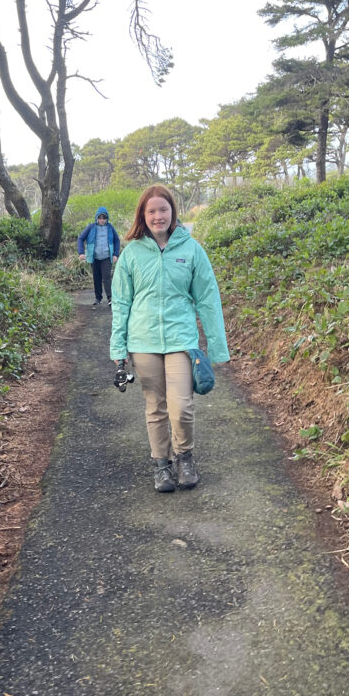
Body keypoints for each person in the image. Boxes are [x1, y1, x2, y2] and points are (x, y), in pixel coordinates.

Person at [110, 185, 229, 493]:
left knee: (182, 406)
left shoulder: (191, 250)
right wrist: (118, 348)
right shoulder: (132, 253)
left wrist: (216, 346)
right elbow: (121, 303)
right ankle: (161, 466)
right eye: (151, 211)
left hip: (181, 339)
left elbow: (207, 298)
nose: (158, 216)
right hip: (143, 340)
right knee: (155, 407)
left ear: (173, 212)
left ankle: (184, 457)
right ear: (143, 216)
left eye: (163, 209)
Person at [77, 206, 120, 308]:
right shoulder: (91, 227)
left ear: (107, 218)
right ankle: (98, 298)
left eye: (104, 218)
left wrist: (115, 254)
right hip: (94, 257)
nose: (102, 220)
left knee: (106, 277)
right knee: (96, 278)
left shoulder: (110, 228)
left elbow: (117, 240)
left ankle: (110, 298)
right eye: (100, 218)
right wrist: (81, 252)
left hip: (106, 257)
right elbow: (80, 238)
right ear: (96, 218)